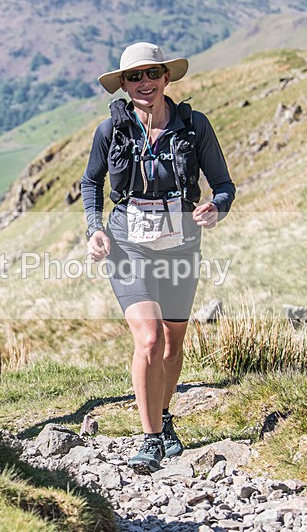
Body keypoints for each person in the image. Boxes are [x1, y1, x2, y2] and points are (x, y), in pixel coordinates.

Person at [81, 42, 235, 473]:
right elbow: (90, 182)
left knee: (172, 342)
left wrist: (215, 208)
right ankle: (149, 438)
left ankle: (164, 418)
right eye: (134, 77)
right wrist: (94, 228)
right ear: (124, 84)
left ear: (167, 77)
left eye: (152, 74)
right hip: (127, 245)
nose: (144, 83)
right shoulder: (111, 130)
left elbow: (223, 184)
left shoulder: (194, 126)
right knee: (148, 338)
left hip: (181, 246)